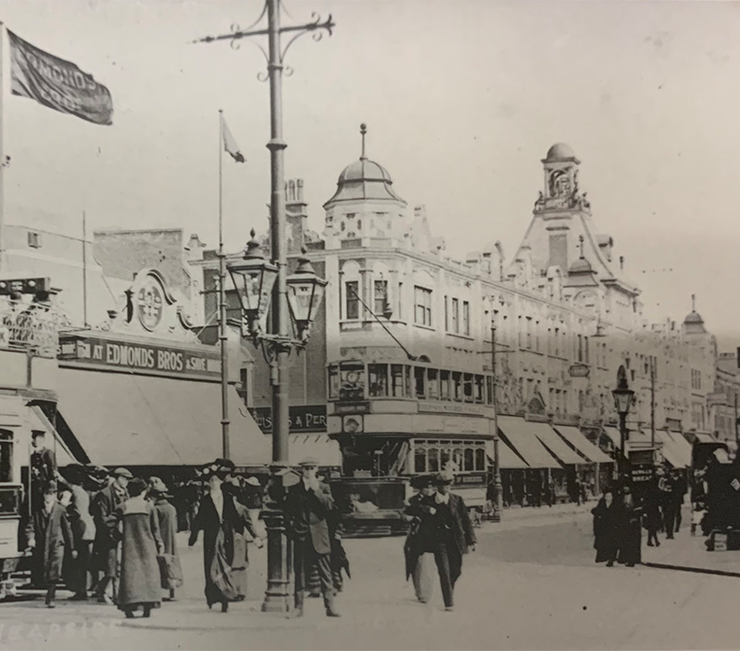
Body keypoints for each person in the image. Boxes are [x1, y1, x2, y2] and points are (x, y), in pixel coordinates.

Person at [283, 458, 340, 618]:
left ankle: (330, 607)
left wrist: (317, 491)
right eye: (306, 468)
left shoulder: (324, 488)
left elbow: (329, 507)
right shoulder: (295, 489)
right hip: (301, 535)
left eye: (311, 468)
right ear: (301, 470)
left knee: (325, 573)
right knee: (299, 573)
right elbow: (288, 512)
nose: (308, 471)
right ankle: (298, 608)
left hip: (319, 536)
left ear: (316, 469)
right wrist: (292, 530)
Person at [188, 460, 244, 612]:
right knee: (210, 565)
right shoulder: (205, 500)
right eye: (211, 480)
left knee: (226, 562)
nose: (213, 483)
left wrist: (239, 531)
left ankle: (225, 597)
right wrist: (193, 537)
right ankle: (212, 597)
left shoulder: (227, 497)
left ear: (220, 482)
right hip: (211, 536)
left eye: (216, 480)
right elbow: (199, 519)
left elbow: (233, 515)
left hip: (225, 535)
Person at [428, 472, 476, 612]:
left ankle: (449, 590)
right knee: (444, 570)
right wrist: (426, 509)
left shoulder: (457, 500)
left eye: (448, 484)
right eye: (443, 484)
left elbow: (466, 521)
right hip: (439, 541)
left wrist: (471, 540)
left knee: (456, 570)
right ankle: (448, 602)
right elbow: (414, 509)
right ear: (437, 486)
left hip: (456, 540)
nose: (446, 487)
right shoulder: (430, 500)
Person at [117, 478, 163, 619]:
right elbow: (155, 529)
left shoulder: (123, 507)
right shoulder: (149, 507)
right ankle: (147, 606)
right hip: (147, 546)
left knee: (130, 576)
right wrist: (160, 545)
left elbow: (111, 523)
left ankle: (129, 607)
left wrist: (119, 536)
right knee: (148, 575)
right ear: (143, 491)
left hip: (129, 546)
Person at [25, 481, 76, 608]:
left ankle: (51, 597)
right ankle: (50, 592)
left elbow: (67, 530)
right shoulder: (37, 510)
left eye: (51, 494)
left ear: (55, 495)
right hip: (43, 544)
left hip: (57, 543)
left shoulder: (60, 509)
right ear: (43, 495)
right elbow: (30, 527)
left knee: (55, 569)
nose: (48, 496)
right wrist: (31, 538)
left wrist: (72, 547)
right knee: (46, 570)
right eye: (46, 494)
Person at [91, 467, 131, 604]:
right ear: (118, 478)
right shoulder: (105, 494)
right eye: (125, 478)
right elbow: (102, 519)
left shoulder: (125, 493)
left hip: (122, 535)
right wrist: (116, 521)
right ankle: (108, 593)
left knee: (119, 566)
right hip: (109, 536)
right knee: (111, 567)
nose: (127, 482)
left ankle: (110, 592)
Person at [61, 465, 96, 601]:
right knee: (84, 561)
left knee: (79, 562)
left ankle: (81, 591)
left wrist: (66, 513)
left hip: (81, 529)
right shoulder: (82, 491)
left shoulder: (73, 492)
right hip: (89, 529)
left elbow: (76, 512)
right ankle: (85, 589)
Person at [403, 474, 438, 603]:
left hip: (430, 536)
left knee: (427, 565)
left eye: (430, 487)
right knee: (415, 563)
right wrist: (410, 518)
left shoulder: (435, 500)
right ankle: (419, 591)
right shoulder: (413, 500)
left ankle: (426, 593)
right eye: (426, 488)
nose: (429, 490)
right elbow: (405, 514)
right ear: (420, 489)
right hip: (416, 535)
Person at [149, 477, 183, 602]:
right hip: (171, 539)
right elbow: (176, 526)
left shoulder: (155, 509)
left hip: (160, 540)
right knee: (172, 564)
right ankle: (172, 592)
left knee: (159, 564)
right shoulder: (171, 508)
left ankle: (158, 592)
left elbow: (154, 527)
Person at [615, 485, 642, 567]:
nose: (625, 489)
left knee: (633, 541)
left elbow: (639, 508)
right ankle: (623, 558)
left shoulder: (636, 497)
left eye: (627, 487)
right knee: (624, 540)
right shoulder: (620, 497)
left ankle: (633, 559)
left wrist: (635, 517)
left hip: (634, 522)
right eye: (624, 487)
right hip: (624, 522)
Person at [30, 431, 57, 510]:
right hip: (36, 487)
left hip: (45, 487)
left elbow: (53, 470)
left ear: (41, 440)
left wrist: (50, 488)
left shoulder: (47, 453)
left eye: (34, 439)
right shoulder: (33, 455)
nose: (32, 441)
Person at [591, 489, 618, 565]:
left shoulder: (615, 503)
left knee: (612, 542)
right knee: (603, 542)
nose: (608, 498)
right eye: (607, 496)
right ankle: (602, 557)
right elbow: (597, 511)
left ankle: (611, 558)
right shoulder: (602, 503)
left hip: (612, 526)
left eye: (610, 496)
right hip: (604, 526)